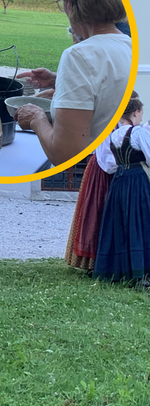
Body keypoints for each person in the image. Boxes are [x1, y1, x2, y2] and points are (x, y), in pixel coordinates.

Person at [14, 0, 131, 166]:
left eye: (62, 2)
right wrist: (58, 80)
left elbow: (65, 154)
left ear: (70, 4)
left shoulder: (78, 56)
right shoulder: (128, 45)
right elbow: (108, 87)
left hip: (92, 175)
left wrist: (36, 117)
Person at [64, 93, 141, 273]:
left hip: (117, 170)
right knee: (98, 211)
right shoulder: (107, 125)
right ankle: (93, 262)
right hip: (102, 170)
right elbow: (108, 159)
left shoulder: (124, 127)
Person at [92, 99, 150, 283]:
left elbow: (109, 164)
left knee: (121, 222)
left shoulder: (114, 134)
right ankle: (141, 273)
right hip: (137, 179)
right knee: (140, 221)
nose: (141, 116)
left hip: (119, 181)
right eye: (141, 112)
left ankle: (121, 270)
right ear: (135, 113)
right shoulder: (138, 132)